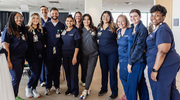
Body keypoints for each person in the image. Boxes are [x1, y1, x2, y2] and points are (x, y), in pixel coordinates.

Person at [146, 5, 180, 100]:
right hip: (166, 63)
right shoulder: (157, 29)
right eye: (152, 15)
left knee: (160, 92)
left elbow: (162, 51)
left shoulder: (162, 29)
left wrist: (155, 70)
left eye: (157, 15)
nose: (153, 17)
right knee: (171, 90)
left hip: (163, 65)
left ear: (163, 17)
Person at [1, 12, 27, 100]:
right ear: (12, 18)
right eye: (17, 17)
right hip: (13, 58)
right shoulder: (7, 30)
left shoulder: (20, 29)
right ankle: (11, 97)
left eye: (21, 17)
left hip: (21, 58)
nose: (19, 19)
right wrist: (8, 61)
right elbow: (6, 47)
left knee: (18, 78)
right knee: (15, 78)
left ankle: (14, 95)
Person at [126, 9, 149, 100]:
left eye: (135, 16)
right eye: (131, 16)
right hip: (135, 59)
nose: (133, 18)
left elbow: (139, 48)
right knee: (141, 84)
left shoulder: (142, 29)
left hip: (138, 61)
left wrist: (130, 62)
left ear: (140, 16)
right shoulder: (132, 28)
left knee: (131, 86)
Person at [43, 7, 65, 95]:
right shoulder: (46, 25)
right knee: (48, 70)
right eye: (53, 13)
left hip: (58, 50)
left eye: (56, 13)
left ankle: (57, 86)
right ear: (50, 14)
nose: (54, 15)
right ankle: (48, 87)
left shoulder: (62, 25)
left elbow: (64, 38)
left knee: (57, 70)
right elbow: (43, 38)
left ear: (58, 14)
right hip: (48, 50)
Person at [97, 11, 118, 99]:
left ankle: (114, 91)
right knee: (104, 71)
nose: (105, 18)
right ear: (101, 17)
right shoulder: (99, 27)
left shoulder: (114, 27)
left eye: (107, 16)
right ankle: (104, 88)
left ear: (110, 17)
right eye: (104, 16)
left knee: (112, 72)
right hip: (102, 53)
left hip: (112, 52)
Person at [79, 14, 98, 100]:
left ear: (90, 20)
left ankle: (85, 90)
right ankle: (88, 86)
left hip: (93, 54)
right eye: (84, 20)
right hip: (83, 54)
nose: (86, 21)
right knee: (85, 71)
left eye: (88, 19)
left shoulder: (94, 29)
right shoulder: (80, 30)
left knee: (90, 72)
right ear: (82, 21)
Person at [25, 13, 44, 98]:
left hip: (40, 55)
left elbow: (42, 41)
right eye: (34, 18)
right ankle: (28, 87)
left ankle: (34, 89)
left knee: (38, 73)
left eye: (37, 18)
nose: (35, 20)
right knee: (35, 73)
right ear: (31, 19)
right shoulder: (27, 29)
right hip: (31, 55)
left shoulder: (40, 29)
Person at [61, 15, 80, 97]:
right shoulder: (63, 31)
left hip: (73, 55)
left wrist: (75, 57)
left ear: (73, 22)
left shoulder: (75, 31)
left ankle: (75, 90)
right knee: (67, 73)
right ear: (65, 22)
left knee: (74, 73)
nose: (69, 22)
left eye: (71, 21)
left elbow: (77, 45)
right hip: (65, 55)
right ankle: (69, 88)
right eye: (67, 21)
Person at [116, 14, 132, 100]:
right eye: (118, 21)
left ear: (126, 21)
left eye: (122, 21)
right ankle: (127, 94)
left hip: (126, 58)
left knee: (123, 77)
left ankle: (128, 96)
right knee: (123, 77)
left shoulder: (130, 31)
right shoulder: (118, 32)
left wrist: (130, 61)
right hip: (120, 57)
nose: (120, 23)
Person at [39, 5, 51, 87]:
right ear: (40, 11)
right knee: (42, 63)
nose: (44, 11)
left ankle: (50, 79)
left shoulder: (51, 20)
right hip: (41, 45)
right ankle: (42, 80)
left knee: (49, 63)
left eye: (45, 10)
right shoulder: (38, 20)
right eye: (42, 10)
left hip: (50, 45)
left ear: (48, 11)